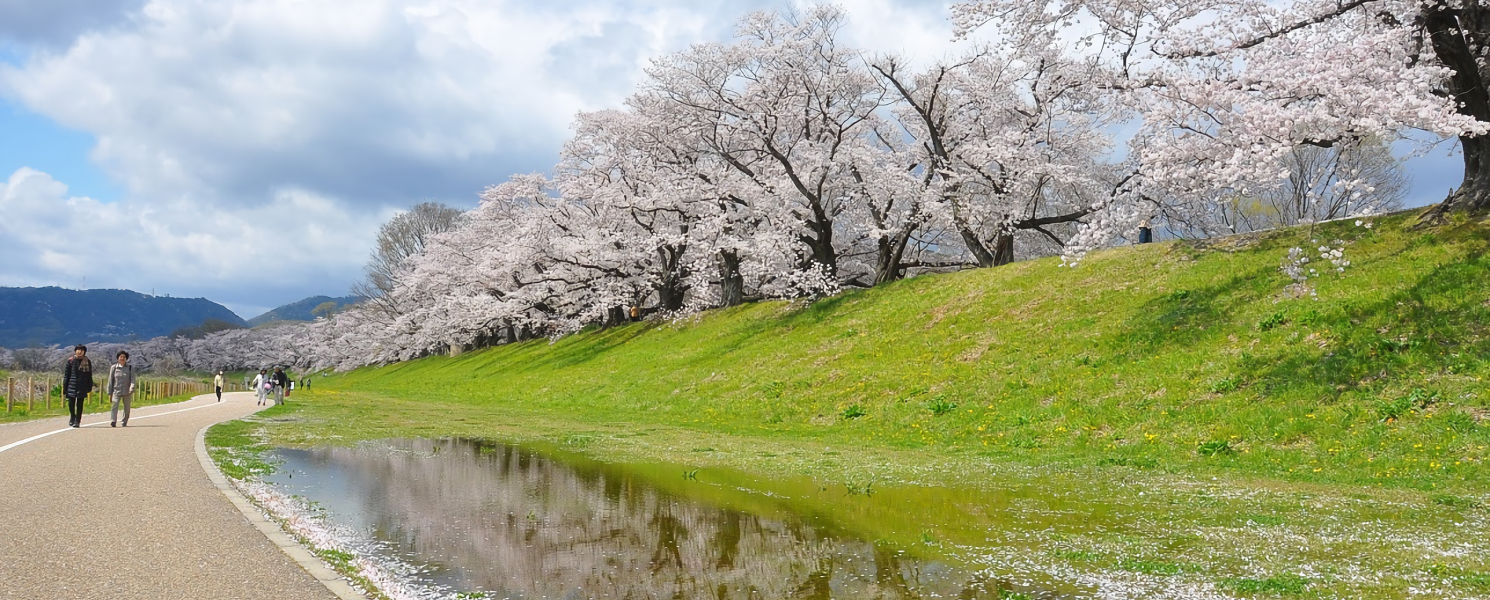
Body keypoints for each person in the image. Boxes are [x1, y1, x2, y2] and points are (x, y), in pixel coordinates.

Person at [61, 345, 94, 428]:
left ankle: (77, 420)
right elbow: (66, 375)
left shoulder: (87, 361)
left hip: (82, 385)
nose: (79, 351)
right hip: (71, 384)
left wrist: (89, 385)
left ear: (84, 352)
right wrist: (65, 387)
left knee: (80, 404)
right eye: (78, 350)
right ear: (75, 351)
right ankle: (72, 417)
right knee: (71, 403)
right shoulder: (71, 361)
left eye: (81, 350)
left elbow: (89, 375)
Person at [106, 351, 137, 427]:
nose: (122, 358)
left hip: (127, 391)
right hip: (116, 390)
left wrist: (131, 387)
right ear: (118, 358)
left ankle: (124, 421)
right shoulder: (114, 367)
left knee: (127, 407)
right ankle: (113, 420)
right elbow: (110, 380)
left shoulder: (130, 368)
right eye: (121, 357)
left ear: (126, 358)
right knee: (115, 405)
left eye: (124, 357)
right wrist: (109, 393)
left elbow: (133, 379)